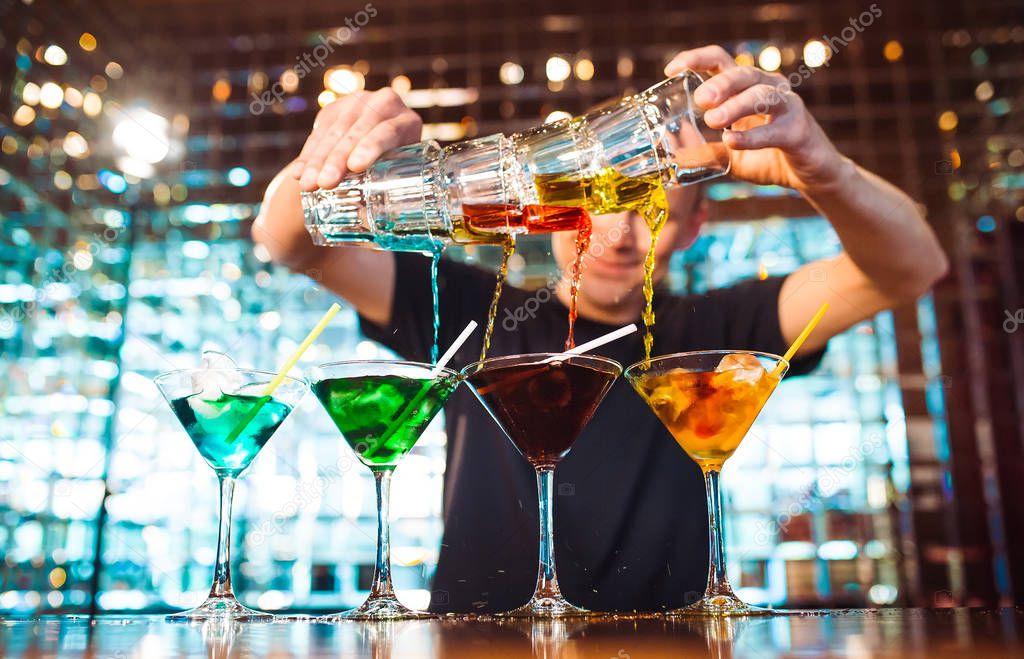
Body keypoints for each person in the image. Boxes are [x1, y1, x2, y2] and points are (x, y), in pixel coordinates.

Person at [253, 45, 948, 612]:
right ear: (546, 207)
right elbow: (289, 241)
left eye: (649, 209)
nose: (615, 237)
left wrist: (823, 171)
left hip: (670, 639)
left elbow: (911, 268)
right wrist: (328, 156)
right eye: (587, 205)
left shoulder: (723, 326)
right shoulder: (474, 310)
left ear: (693, 226)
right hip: (473, 639)